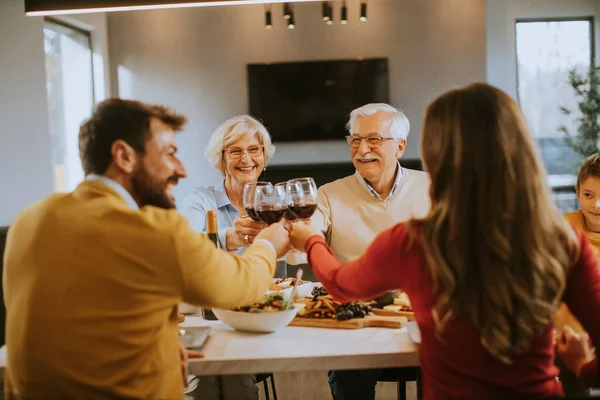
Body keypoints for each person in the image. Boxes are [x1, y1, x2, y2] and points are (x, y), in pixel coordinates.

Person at [289, 83, 600, 399]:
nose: (362, 148)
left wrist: (312, 240)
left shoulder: (415, 242)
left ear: (434, 153)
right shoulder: (563, 239)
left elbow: (340, 284)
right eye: (356, 140)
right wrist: (582, 367)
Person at [2, 98, 290, 400]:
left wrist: (159, 344)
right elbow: (242, 287)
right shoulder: (154, 229)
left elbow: (92, 314)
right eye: (170, 154)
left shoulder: (30, 220)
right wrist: (269, 241)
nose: (181, 170)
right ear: (124, 156)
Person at [286, 103, 430, 398]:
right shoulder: (327, 194)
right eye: (355, 139)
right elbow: (300, 246)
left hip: (421, 315)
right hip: (357, 317)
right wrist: (288, 235)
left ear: (400, 146)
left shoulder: (432, 188)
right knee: (348, 372)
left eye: (374, 139)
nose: (362, 149)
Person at [180, 115, 278, 400]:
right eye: (235, 151)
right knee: (209, 381)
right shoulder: (200, 199)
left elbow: (293, 253)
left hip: (258, 314)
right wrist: (228, 238)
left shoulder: (273, 200)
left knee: (233, 379)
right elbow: (184, 250)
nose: (246, 158)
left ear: (263, 156)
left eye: (254, 150)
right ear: (221, 159)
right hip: (207, 314)